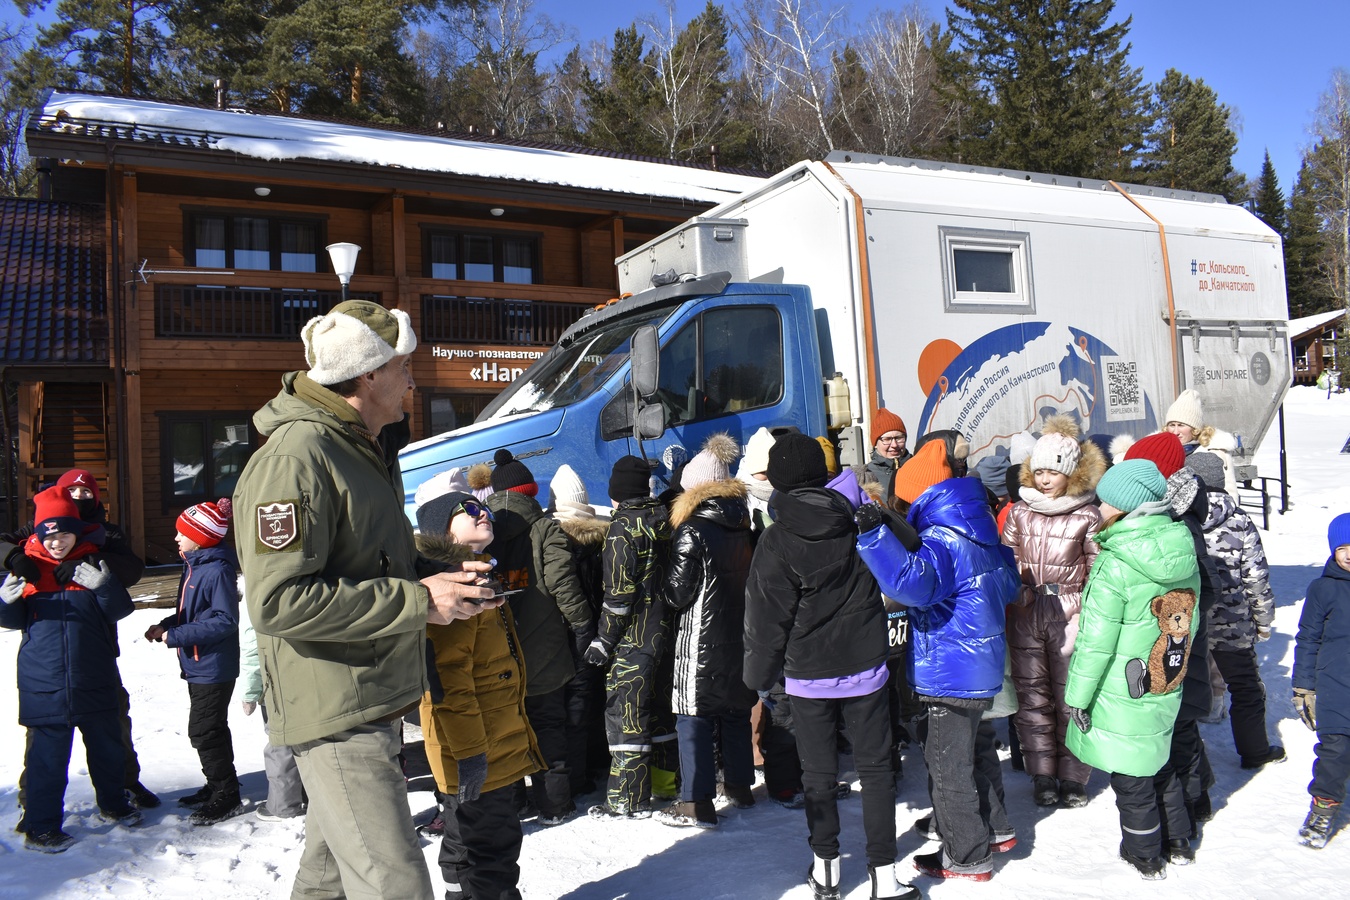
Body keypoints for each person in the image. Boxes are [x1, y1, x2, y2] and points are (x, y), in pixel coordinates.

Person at [232, 299, 499, 900]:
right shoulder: (296, 459)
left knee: (326, 882)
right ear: (369, 373)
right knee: (395, 885)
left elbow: (364, 559)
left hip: (364, 694)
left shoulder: (359, 447)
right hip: (335, 709)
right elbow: (279, 601)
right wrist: (416, 600)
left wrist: (441, 576)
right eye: (405, 365)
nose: (413, 379)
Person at [746, 434, 918, 900]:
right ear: (823, 473)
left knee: (818, 775)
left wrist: (756, 676)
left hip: (807, 674)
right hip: (866, 666)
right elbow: (912, 545)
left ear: (778, 479)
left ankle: (826, 872)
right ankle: (885, 877)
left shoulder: (776, 538)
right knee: (877, 770)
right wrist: (879, 515)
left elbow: (766, 617)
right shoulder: (857, 517)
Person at [857, 437, 1020, 884]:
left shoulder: (940, 538)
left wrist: (873, 536)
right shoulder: (978, 527)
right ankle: (996, 827)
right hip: (980, 665)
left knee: (948, 765)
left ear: (922, 495)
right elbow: (1009, 586)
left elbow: (912, 586)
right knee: (976, 749)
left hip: (950, 670)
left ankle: (966, 856)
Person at [1063, 460, 1201, 880]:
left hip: (1121, 690)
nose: (1097, 508)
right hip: (1166, 677)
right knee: (1159, 761)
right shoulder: (1180, 546)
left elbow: (1095, 643)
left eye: (1103, 501)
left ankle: (1144, 853)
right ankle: (1178, 840)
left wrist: (1077, 699)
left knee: (1131, 778)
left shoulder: (1116, 564)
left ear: (1124, 508)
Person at [1, 467, 157, 812]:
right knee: (46, 747)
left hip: (94, 656)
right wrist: (13, 559)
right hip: (46, 672)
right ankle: (35, 809)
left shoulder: (108, 533)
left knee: (111, 730)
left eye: (87, 491)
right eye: (71, 490)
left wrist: (92, 562)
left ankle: (124, 788)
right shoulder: (38, 537)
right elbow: (11, 614)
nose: (79, 495)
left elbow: (129, 574)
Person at [416, 488, 543, 900]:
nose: (482, 511)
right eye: (467, 509)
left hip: (488, 742)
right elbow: (449, 684)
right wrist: (472, 756)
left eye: (482, 505)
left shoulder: (480, 575)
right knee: (494, 853)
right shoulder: (454, 589)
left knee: (466, 839)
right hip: (479, 750)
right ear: (443, 530)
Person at [1001, 416, 1106, 808]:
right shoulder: (1019, 513)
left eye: (1054, 472)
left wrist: (1088, 609)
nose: (1045, 480)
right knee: (1032, 698)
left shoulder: (1087, 515)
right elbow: (1006, 560)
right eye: (1039, 471)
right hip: (1026, 613)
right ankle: (1042, 774)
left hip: (1069, 613)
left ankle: (1075, 776)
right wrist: (1016, 592)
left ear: (1072, 474)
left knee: (1071, 697)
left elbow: (1097, 571)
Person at [484, 448, 592, 825]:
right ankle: (555, 805)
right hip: (545, 649)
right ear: (530, 492)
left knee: (508, 729)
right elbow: (563, 584)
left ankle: (514, 803)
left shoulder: (483, 530)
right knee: (548, 728)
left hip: (498, 650)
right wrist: (583, 625)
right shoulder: (545, 529)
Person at [656, 433, 757, 829]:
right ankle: (740, 786)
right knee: (734, 710)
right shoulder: (740, 524)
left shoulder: (692, 530)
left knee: (692, 716)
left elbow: (678, 593)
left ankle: (696, 801)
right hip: (737, 633)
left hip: (700, 637)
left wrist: (659, 586)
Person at [585, 455, 674, 821]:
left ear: (616, 493)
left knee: (628, 716)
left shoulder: (622, 528)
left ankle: (627, 800)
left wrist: (602, 642)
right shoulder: (665, 519)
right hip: (666, 633)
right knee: (662, 713)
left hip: (633, 639)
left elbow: (618, 597)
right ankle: (666, 786)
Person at [145, 498, 243, 826]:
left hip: (214, 665)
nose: (175, 538)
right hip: (200, 663)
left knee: (203, 731)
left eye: (181, 533)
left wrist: (177, 636)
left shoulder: (216, 570)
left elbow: (224, 621)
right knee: (210, 728)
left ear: (200, 536)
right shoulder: (196, 565)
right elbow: (197, 613)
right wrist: (169, 624)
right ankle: (217, 785)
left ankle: (226, 795)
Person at [1185, 452, 1283, 768]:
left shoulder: (1181, 520)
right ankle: (1254, 751)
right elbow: (1256, 577)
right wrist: (1264, 620)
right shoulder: (1240, 521)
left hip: (1189, 623)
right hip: (1233, 624)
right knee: (1245, 688)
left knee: (1183, 691)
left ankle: (1188, 763)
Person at [547, 463, 611, 796]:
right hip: (597, 630)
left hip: (562, 634)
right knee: (591, 700)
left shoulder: (550, 539)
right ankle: (596, 765)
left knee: (567, 709)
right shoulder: (602, 537)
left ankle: (574, 779)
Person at [1292, 513, 1350, 849]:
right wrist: (1303, 686)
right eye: (1342, 547)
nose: (1349, 554)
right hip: (1335, 686)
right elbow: (1308, 637)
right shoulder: (1323, 589)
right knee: (1334, 752)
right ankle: (1323, 809)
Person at [239, 597, 305, 822]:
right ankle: (311, 796)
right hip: (310, 676)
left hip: (277, 681)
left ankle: (283, 805)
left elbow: (251, 646)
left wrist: (249, 691)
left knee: (280, 743)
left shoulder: (258, 591)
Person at [1161, 389, 1239, 495]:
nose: (1175, 432)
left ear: (1195, 428)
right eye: (1171, 425)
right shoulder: (1160, 449)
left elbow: (1230, 490)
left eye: (1181, 425)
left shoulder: (1216, 450)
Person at [866, 409, 910, 492]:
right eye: (887, 439)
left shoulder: (918, 468)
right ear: (875, 444)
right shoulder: (866, 475)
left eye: (899, 438)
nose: (894, 445)